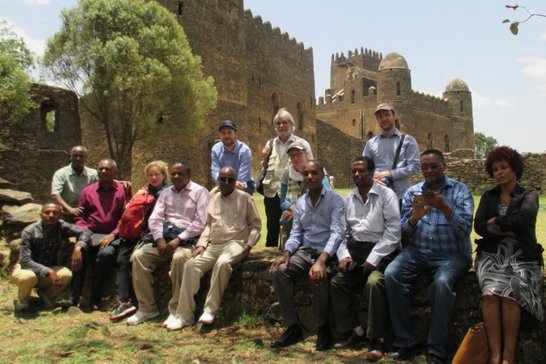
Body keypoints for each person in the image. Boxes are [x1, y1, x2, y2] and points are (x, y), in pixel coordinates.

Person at [385, 149, 474, 364]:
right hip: (418, 252)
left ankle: (436, 349)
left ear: (443, 166)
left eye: (434, 166)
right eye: (425, 166)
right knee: (392, 274)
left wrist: (445, 208)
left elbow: (465, 230)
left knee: (442, 284)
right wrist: (414, 219)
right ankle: (406, 342)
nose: (429, 170)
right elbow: (404, 232)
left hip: (451, 255)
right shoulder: (412, 193)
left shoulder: (460, 191)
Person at [474, 146, 543, 364]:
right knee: (490, 295)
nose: (499, 172)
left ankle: (508, 356)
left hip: (521, 254)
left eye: (504, 167)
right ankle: (495, 355)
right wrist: (508, 228)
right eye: (495, 169)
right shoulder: (488, 196)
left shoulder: (529, 194)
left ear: (515, 169)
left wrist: (497, 221)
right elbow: (479, 226)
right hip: (492, 254)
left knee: (510, 296)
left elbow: (525, 221)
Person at [269, 160, 345, 351]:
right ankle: (292, 327)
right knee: (279, 270)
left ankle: (323, 328)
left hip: (326, 253)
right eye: (306, 174)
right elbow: (296, 234)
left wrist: (321, 261)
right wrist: (286, 253)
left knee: (318, 276)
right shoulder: (301, 203)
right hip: (305, 251)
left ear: (322, 175)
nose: (310, 177)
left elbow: (337, 233)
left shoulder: (335, 200)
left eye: (314, 173)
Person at [330, 156, 401, 362]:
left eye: (362, 171)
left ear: (371, 172)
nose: (357, 175)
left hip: (381, 251)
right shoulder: (348, 198)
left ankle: (377, 338)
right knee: (336, 283)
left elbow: (394, 232)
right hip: (356, 252)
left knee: (374, 283)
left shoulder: (386, 195)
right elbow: (343, 232)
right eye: (354, 172)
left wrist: (374, 257)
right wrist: (344, 255)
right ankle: (355, 330)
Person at [175, 167, 261, 328]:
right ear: (218, 180)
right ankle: (184, 315)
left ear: (236, 182)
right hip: (213, 244)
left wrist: (249, 244)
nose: (226, 182)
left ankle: (210, 310)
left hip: (236, 244)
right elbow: (208, 225)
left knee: (222, 263)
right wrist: (201, 244)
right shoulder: (212, 199)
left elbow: (256, 226)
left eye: (230, 180)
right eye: (223, 179)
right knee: (191, 265)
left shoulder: (245, 198)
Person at [127, 161, 209, 327]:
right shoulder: (166, 193)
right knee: (139, 256)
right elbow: (155, 219)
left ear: (189, 175)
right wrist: (159, 240)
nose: (177, 177)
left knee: (180, 258)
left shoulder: (200, 192)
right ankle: (147, 308)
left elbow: (200, 222)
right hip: (164, 237)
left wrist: (178, 240)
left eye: (181, 174)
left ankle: (177, 310)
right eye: (174, 174)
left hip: (187, 238)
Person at [109, 160, 170, 322]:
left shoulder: (169, 192)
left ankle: (139, 303)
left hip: (155, 236)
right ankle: (125, 301)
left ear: (164, 175)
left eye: (157, 174)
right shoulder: (142, 192)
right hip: (136, 234)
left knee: (136, 257)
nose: (154, 177)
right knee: (122, 260)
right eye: (150, 174)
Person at [72, 158, 132, 310]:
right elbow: (79, 217)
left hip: (112, 237)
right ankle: (72, 297)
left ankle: (95, 295)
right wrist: (86, 234)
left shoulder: (123, 190)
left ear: (115, 172)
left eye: (107, 169)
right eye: (101, 169)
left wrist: (113, 234)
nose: (103, 172)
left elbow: (127, 217)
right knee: (80, 254)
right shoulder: (87, 191)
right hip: (90, 234)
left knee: (106, 255)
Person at [11, 202, 92, 310]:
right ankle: (23, 302)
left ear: (60, 216)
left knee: (66, 275)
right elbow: (25, 260)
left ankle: (45, 296)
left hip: (48, 268)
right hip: (26, 269)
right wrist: (49, 272)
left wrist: (78, 247)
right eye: (47, 212)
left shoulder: (62, 226)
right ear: (41, 215)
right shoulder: (30, 230)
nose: (51, 215)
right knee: (28, 277)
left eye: (55, 213)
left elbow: (85, 231)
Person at [261, 108, 313, 247]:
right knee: (271, 229)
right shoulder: (270, 143)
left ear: (291, 124)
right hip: (272, 193)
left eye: (284, 122)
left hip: (294, 194)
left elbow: (311, 168)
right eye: (278, 123)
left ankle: (295, 252)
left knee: (293, 225)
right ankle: (268, 261)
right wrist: (264, 158)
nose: (281, 126)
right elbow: (264, 167)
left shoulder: (302, 144)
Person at [363, 103, 420, 203]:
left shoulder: (408, 141)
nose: (384, 119)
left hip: (401, 197)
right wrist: (373, 177)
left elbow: (415, 167)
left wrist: (390, 174)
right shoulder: (370, 143)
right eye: (380, 116)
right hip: (377, 196)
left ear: (394, 116)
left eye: (387, 115)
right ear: (377, 120)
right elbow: (364, 167)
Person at [278, 142, 329, 242]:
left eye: (299, 154)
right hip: (294, 210)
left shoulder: (317, 170)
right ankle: (292, 248)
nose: (295, 158)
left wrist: (301, 212)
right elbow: (283, 201)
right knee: (286, 218)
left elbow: (326, 195)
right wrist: (292, 208)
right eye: (292, 156)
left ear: (306, 153)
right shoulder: (287, 174)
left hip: (317, 209)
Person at [51, 145, 98, 221]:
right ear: (71, 157)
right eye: (75, 156)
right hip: (67, 213)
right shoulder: (61, 173)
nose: (78, 158)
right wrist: (70, 209)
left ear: (86, 158)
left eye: (81, 156)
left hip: (88, 213)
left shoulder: (93, 173)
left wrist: (120, 182)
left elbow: (104, 183)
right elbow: (55, 195)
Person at [211, 120, 254, 194]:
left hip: (243, 184)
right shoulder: (216, 149)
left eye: (229, 132)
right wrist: (224, 182)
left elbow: (242, 177)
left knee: (239, 194)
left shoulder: (244, 150)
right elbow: (215, 171)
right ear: (220, 135)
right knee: (209, 198)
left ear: (236, 134)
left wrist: (227, 184)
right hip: (223, 183)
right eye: (223, 133)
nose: (226, 136)